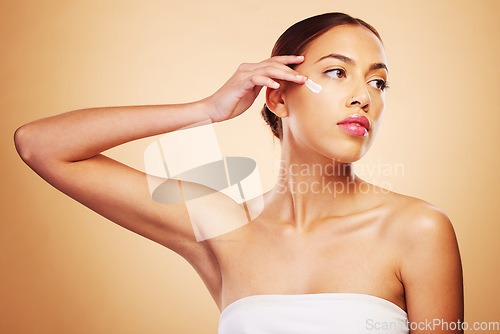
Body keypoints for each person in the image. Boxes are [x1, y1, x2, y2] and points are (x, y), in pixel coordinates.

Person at [14, 12, 463, 334]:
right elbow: (41, 146)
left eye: (377, 81)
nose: (364, 96)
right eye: (336, 72)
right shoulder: (223, 228)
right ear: (278, 97)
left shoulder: (417, 230)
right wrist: (206, 109)